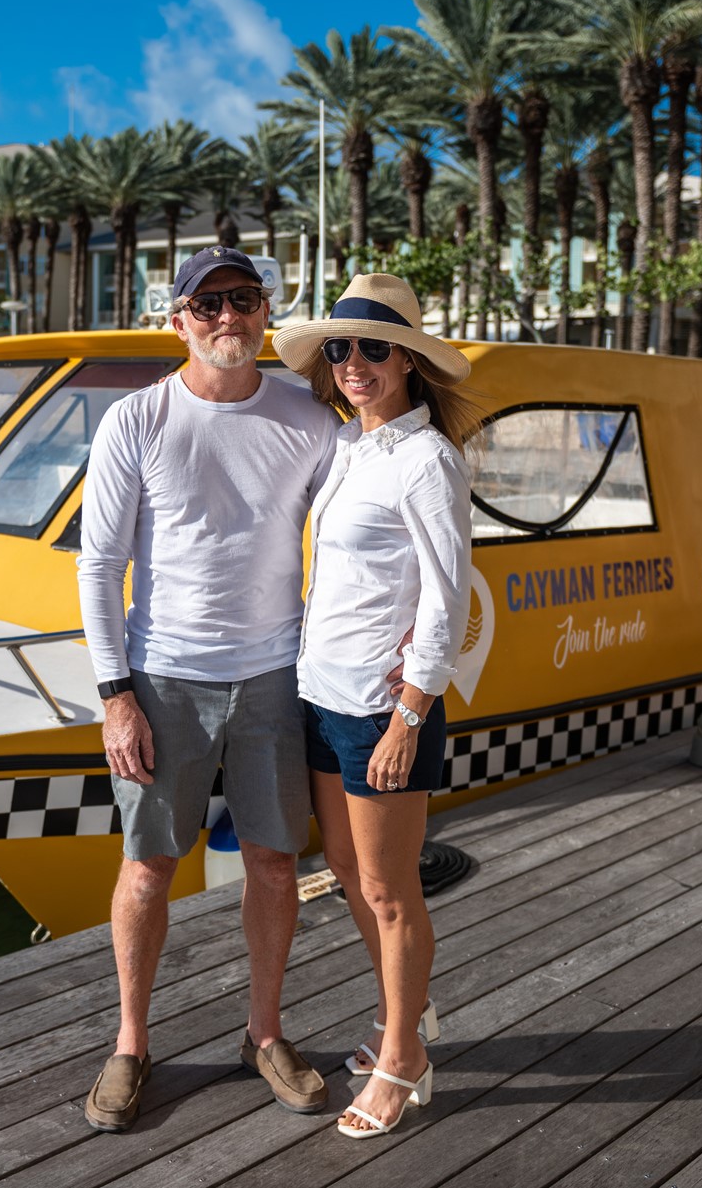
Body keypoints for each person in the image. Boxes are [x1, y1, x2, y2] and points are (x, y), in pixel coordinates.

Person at [76, 245, 340, 1133]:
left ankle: (262, 1034)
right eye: (209, 303)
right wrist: (115, 694)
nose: (229, 317)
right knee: (148, 865)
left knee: (272, 860)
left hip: (273, 674)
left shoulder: (310, 416)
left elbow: (360, 523)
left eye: (245, 300)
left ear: (267, 311)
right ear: (177, 319)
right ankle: (130, 1044)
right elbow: (99, 564)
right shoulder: (136, 420)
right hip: (160, 679)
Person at [270, 273, 479, 1139]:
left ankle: (404, 1060)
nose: (353, 362)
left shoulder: (428, 459)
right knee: (352, 878)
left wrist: (411, 711)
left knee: (391, 894)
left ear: (408, 362)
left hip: (379, 709)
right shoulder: (354, 447)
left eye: (373, 347)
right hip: (323, 695)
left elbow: (446, 594)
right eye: (340, 347)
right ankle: (407, 1019)